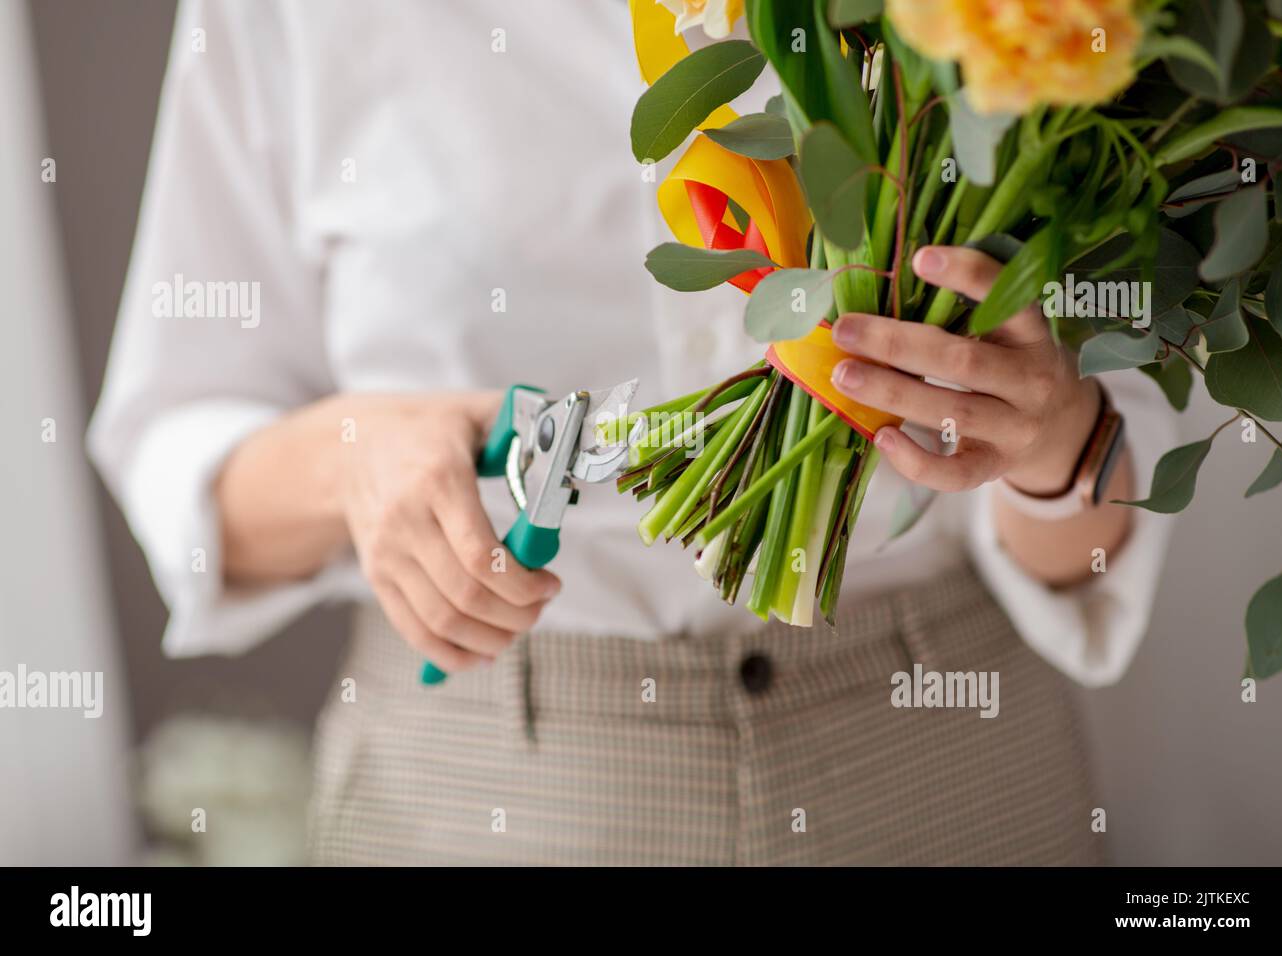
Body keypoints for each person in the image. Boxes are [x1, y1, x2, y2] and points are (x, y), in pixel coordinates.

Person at [89, 0, 1177, 865]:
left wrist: (1053, 446)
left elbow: (1080, 558)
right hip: (490, 782)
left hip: (938, 763)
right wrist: (351, 459)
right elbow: (176, 446)